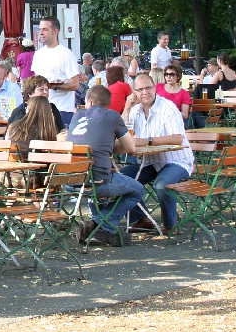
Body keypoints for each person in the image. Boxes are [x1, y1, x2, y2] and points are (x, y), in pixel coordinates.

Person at [70, 86, 143, 247]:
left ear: (89, 102)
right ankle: (101, 225)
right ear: (108, 104)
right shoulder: (112, 116)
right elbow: (130, 148)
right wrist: (108, 146)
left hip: (71, 181)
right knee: (138, 190)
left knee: (101, 186)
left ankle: (97, 226)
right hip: (98, 182)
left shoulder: (77, 116)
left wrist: (105, 147)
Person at [121, 74, 194, 235]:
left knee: (162, 184)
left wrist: (148, 140)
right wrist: (126, 108)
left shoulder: (167, 107)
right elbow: (122, 132)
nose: (145, 92)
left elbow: (178, 138)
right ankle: (142, 219)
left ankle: (171, 224)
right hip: (151, 162)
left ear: (155, 88)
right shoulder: (134, 111)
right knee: (120, 179)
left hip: (177, 160)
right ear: (134, 92)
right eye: (140, 89)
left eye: (148, 88)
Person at [30, 16, 81, 126]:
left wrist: (56, 86)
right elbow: (36, 79)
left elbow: (75, 84)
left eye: (45, 29)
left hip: (62, 108)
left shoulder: (66, 54)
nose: (40, 33)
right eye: (40, 29)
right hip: (41, 108)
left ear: (55, 32)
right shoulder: (38, 54)